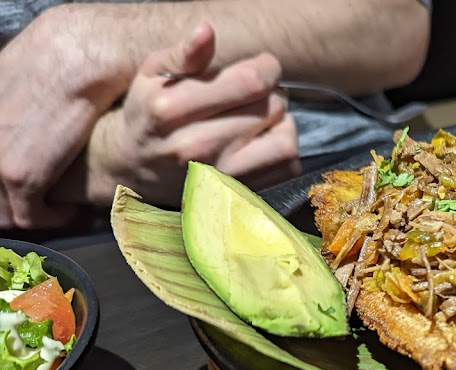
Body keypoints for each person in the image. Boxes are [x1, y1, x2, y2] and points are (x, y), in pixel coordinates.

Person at [0, 0, 431, 231]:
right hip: (62, 246)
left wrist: (89, 41)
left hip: (351, 172)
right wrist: (97, 161)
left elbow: (396, 25)